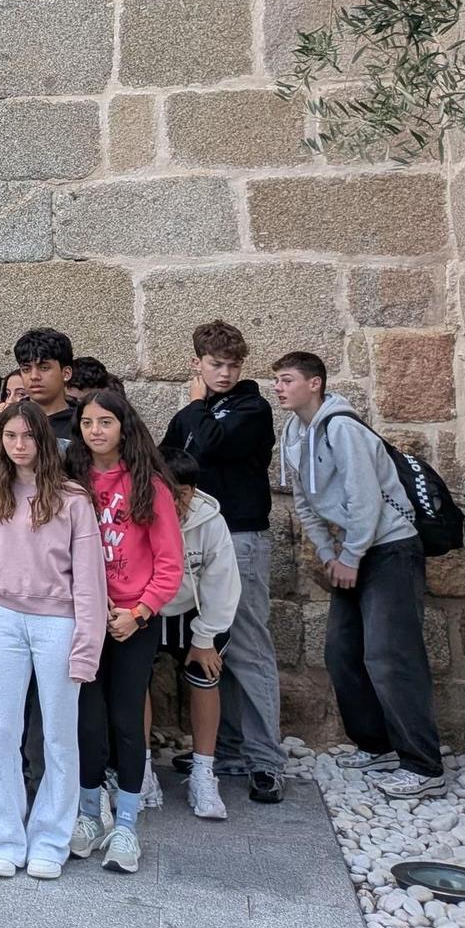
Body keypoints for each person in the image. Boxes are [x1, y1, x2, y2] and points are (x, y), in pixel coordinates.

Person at [272, 352, 444, 800]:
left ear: (315, 384)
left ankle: (424, 766)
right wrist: (331, 555)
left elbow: (364, 498)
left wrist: (349, 554)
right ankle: (377, 746)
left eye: (287, 380)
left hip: (390, 549)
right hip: (353, 551)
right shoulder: (293, 433)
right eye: (277, 380)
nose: (279, 388)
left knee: (391, 657)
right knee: (342, 652)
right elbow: (305, 502)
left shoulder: (342, 428)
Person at [0, 399, 107, 881]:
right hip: (3, 620)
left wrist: (87, 647)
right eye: (10, 437)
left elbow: (89, 582)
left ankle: (50, 837)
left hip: (56, 624)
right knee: (1, 733)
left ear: (43, 441)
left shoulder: (72, 500)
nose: (19, 445)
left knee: (59, 737)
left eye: (27, 436)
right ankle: (3, 837)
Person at [159, 320, 284, 804]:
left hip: (240, 534)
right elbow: (169, 456)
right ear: (198, 363)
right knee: (213, 647)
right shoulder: (199, 410)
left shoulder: (253, 407)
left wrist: (193, 404)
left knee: (249, 645)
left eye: (233, 364)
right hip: (194, 539)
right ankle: (228, 750)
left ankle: (265, 760)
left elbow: (208, 443)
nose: (226, 373)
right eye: (216, 364)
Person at [66, 389, 183, 874]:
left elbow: (169, 564)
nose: (96, 431)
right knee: (88, 721)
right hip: (84, 618)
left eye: (106, 422)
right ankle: (90, 813)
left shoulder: (147, 485)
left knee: (126, 721)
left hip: (133, 623)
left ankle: (128, 823)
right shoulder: (71, 482)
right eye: (88, 423)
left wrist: (138, 612)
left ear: (124, 427)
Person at [155, 447, 242, 820]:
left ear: (194, 490)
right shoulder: (140, 509)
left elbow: (222, 582)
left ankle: (204, 771)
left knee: (205, 676)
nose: (176, 503)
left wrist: (205, 637)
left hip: (198, 608)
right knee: (135, 678)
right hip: (149, 606)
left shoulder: (210, 520)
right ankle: (140, 769)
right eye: (168, 492)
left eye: (184, 493)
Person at [13, 329, 79, 448]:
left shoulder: (84, 423)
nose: (34, 377)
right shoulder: (5, 422)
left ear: (66, 373)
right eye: (26, 369)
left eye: (44, 368)